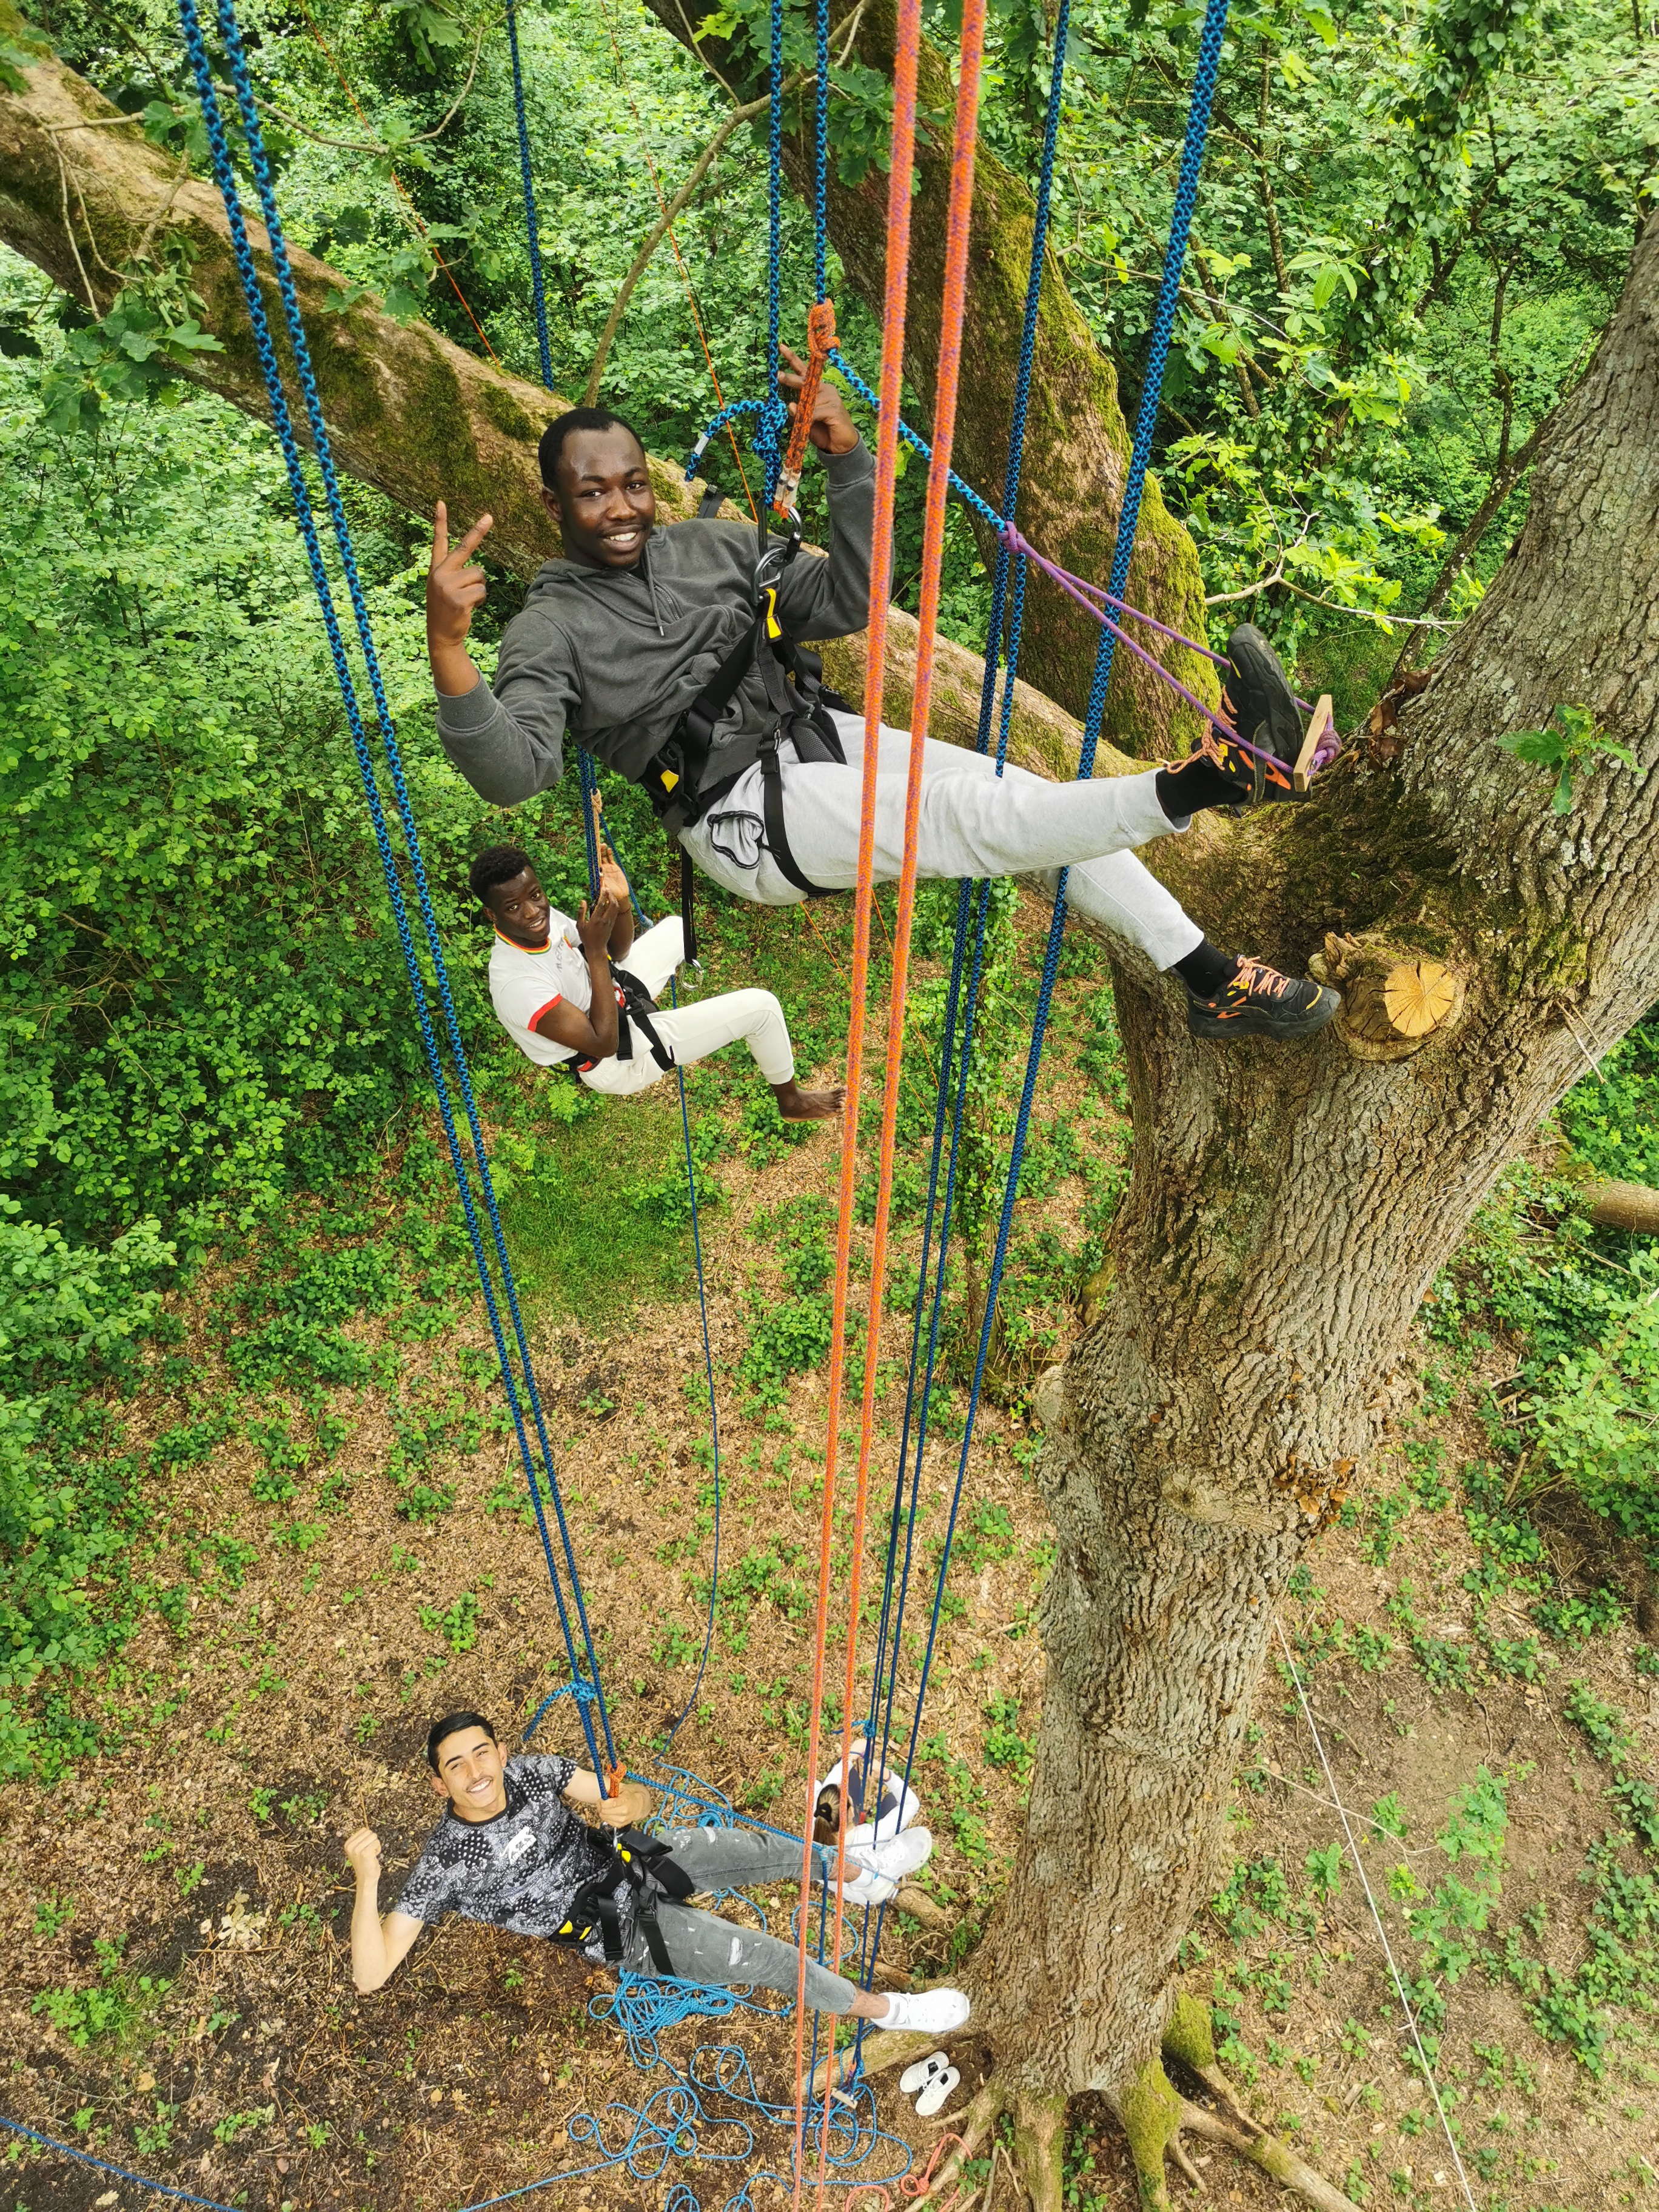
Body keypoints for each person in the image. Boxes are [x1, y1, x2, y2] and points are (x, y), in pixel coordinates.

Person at [426, 350, 1339, 1043]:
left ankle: (1210, 976)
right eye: (593, 494)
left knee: (1020, 797)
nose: (622, 508)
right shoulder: (547, 630)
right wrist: (450, 652)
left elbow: (849, 600)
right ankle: (1215, 780)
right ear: (554, 506)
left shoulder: (706, 546)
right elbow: (515, 775)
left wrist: (849, 460)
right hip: (737, 815)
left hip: (815, 733)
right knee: (961, 817)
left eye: (632, 484)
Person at [343, 1712, 971, 2035]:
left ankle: (854, 1871)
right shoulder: (446, 1862)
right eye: (457, 1764)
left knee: (757, 1847)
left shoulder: (532, 1772)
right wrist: (367, 1879)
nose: (477, 1771)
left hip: (632, 1859)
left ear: (502, 1753)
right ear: (439, 1782)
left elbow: (630, 1797)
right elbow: (371, 1976)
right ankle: (892, 2011)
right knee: (775, 1961)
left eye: (483, 1752)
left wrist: (628, 1804)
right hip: (621, 1931)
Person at [472, 803, 841, 1117]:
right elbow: (602, 1042)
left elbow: (617, 952)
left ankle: (663, 1018)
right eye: (514, 907)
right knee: (762, 1007)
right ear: (493, 916)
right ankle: (791, 1101)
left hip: (612, 999)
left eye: (535, 895)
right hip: (615, 1059)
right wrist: (595, 952)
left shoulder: (542, 925)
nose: (533, 912)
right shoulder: (516, 984)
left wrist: (620, 903)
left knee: (679, 929)